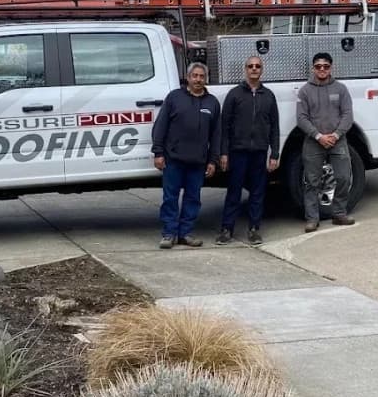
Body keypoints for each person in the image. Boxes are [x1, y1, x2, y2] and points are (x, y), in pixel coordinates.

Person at [151, 62, 221, 249]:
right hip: (173, 159)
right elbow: (160, 127)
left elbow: (216, 134)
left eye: (201, 76)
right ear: (188, 77)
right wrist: (158, 152)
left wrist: (213, 160)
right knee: (170, 198)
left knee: (193, 199)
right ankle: (168, 234)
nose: (198, 79)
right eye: (194, 76)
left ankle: (186, 233)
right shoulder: (174, 98)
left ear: (205, 79)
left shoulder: (212, 102)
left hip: (198, 162)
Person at [216, 55, 280, 246]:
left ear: (262, 70)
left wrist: (274, 154)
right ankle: (227, 229)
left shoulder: (268, 96)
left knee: (258, 193)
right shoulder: (234, 94)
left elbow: (274, 127)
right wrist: (224, 153)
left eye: (257, 66)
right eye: (250, 66)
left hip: (259, 152)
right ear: (245, 69)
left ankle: (254, 229)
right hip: (238, 152)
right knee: (234, 192)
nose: (254, 69)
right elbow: (224, 126)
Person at [295, 51, 355, 232]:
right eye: (318, 66)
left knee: (344, 177)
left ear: (331, 68)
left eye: (326, 66)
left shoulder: (341, 89)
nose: (322, 69)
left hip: (338, 141)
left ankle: (339, 213)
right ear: (313, 68)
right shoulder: (305, 90)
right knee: (311, 182)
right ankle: (312, 219)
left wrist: (335, 135)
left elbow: (347, 115)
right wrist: (318, 136)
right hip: (314, 142)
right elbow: (301, 118)